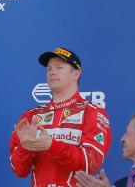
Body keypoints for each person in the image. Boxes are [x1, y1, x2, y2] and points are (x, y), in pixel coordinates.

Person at [10, 47, 112, 186]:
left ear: (76, 74)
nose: (52, 71)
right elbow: (19, 170)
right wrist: (25, 147)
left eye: (59, 67)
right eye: (49, 69)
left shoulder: (92, 112)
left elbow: (89, 163)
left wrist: (52, 145)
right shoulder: (31, 116)